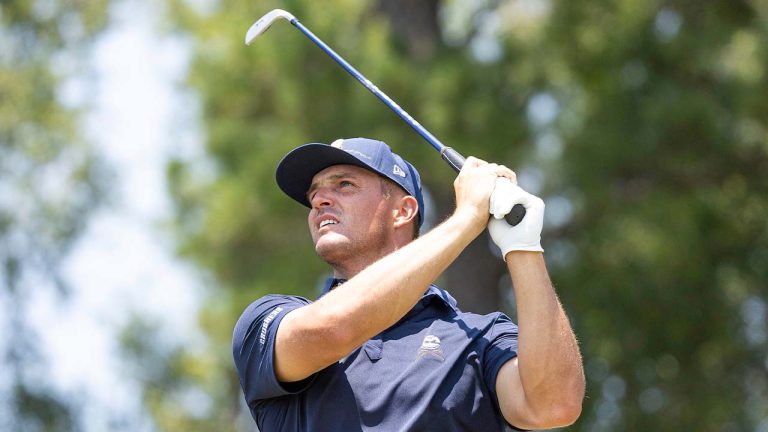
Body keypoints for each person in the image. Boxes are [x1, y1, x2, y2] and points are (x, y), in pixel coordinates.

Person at [232, 137, 585, 431]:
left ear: (403, 211)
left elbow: (553, 405)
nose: (319, 201)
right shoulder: (268, 319)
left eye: (344, 185)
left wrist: (522, 245)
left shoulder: (479, 337)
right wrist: (467, 218)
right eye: (314, 194)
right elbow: (333, 329)